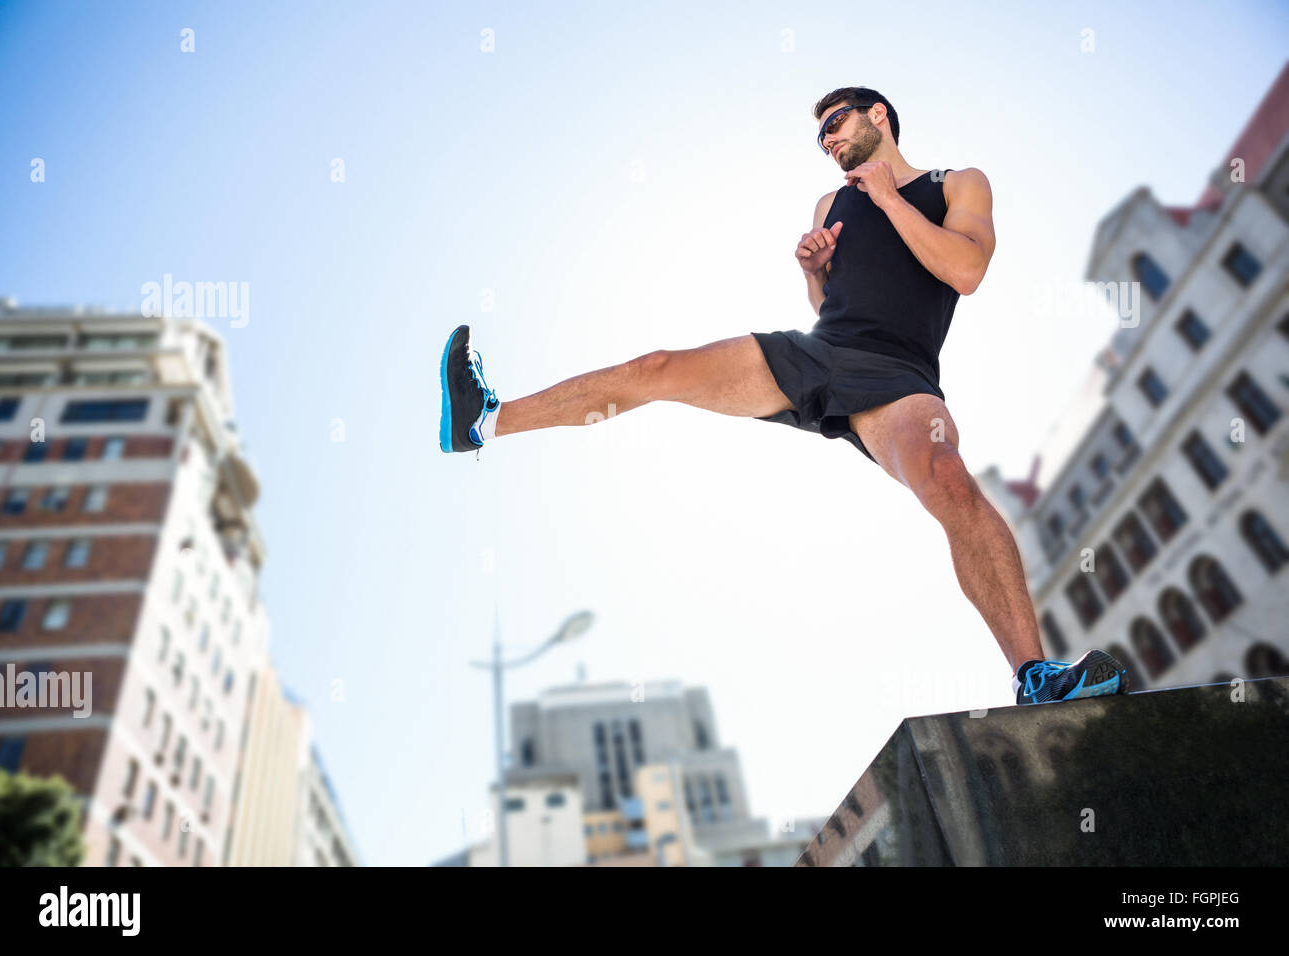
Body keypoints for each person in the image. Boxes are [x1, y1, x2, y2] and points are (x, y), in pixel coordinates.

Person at [439, 86, 1130, 707]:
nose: (829, 141)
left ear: (878, 115)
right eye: (821, 136)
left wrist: (889, 197)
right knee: (655, 368)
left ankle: (1036, 678)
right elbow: (831, 306)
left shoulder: (957, 183)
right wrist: (812, 274)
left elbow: (967, 268)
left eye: (836, 124)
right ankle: (484, 420)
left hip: (899, 378)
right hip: (817, 353)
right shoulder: (830, 205)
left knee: (948, 478)